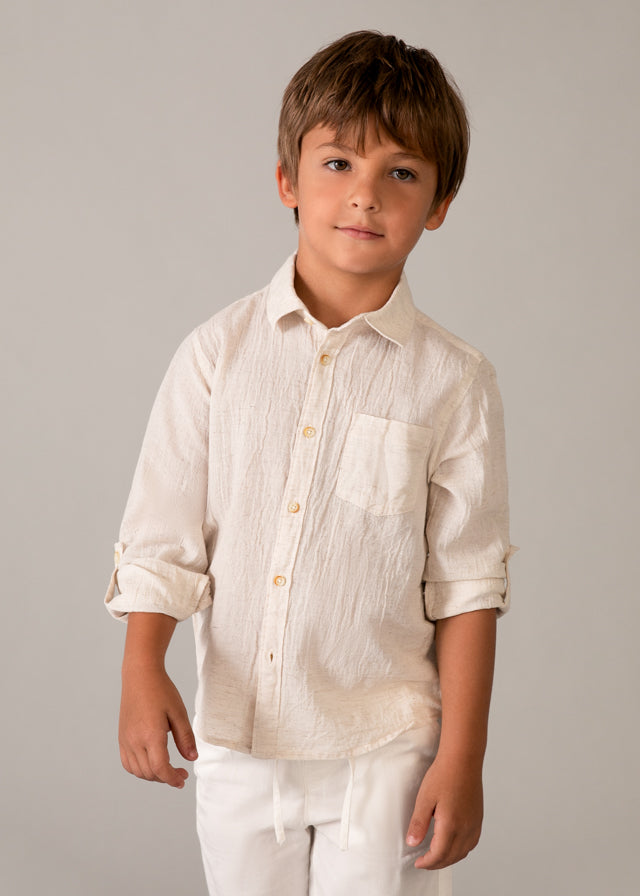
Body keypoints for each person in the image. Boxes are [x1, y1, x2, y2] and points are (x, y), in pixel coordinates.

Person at [105, 29, 516, 896]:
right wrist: (143, 667)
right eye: (337, 164)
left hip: (387, 747)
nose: (365, 195)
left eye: (401, 173)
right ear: (287, 179)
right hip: (239, 739)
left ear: (439, 204)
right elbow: (164, 534)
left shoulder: (455, 382)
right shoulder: (216, 354)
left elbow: (468, 585)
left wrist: (463, 758)